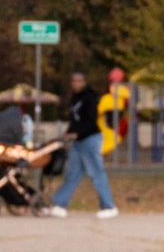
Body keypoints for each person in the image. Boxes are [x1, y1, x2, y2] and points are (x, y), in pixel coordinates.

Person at [47, 70, 118, 218]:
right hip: (78, 143)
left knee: (96, 172)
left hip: (90, 139)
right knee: (72, 174)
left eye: (79, 81)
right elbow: (75, 122)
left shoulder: (90, 98)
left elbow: (91, 121)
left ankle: (109, 206)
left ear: (84, 82)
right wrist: (67, 134)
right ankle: (60, 204)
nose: (76, 84)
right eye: (73, 81)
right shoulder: (75, 99)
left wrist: (77, 134)